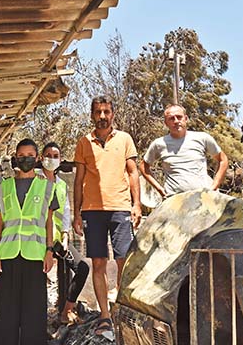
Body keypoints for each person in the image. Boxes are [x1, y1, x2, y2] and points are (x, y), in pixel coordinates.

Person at [72, 96, 141, 337]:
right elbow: (78, 180)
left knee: (124, 261)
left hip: (121, 208)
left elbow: (133, 173)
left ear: (113, 114)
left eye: (107, 112)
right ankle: (104, 315)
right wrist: (77, 214)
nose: (102, 116)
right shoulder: (83, 142)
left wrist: (137, 205)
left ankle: (121, 308)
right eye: (98, 112)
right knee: (98, 263)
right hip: (92, 210)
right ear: (92, 114)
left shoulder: (124, 139)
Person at [0, 138, 57, 345]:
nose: (25, 159)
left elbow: (48, 222)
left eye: (30, 156)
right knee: (5, 311)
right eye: (21, 155)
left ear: (37, 158)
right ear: (15, 158)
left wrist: (49, 251)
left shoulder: (46, 187)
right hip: (7, 255)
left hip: (35, 256)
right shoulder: (3, 187)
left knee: (34, 311)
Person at [40, 142, 90, 325]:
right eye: (48, 155)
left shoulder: (61, 184)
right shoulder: (35, 180)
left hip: (57, 240)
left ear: (60, 160)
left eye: (55, 156)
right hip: (38, 240)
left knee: (81, 267)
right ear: (41, 157)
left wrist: (66, 234)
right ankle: (39, 319)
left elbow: (65, 210)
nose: (51, 159)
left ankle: (66, 309)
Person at [139, 104, 229, 197]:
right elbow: (143, 166)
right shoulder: (159, 144)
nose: (176, 121)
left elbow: (223, 159)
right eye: (171, 118)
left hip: (203, 198)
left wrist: (214, 186)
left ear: (186, 119)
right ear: (166, 123)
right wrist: (159, 188)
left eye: (179, 117)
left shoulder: (202, 138)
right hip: (174, 200)